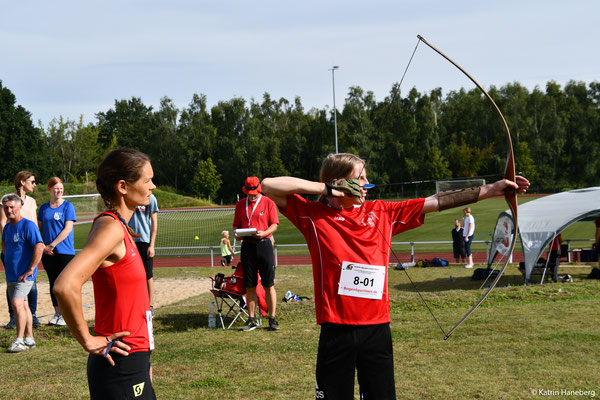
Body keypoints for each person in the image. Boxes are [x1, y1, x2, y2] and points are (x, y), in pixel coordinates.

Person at [261, 152, 530, 399]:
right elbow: (268, 185)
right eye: (360, 178)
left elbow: (436, 201)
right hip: (336, 328)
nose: (367, 183)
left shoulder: (382, 213)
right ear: (340, 182)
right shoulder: (313, 215)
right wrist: (327, 189)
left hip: (377, 329)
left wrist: (493, 189)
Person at [54, 148, 156, 400]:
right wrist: (88, 340)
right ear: (123, 186)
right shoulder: (110, 227)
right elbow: (65, 285)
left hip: (133, 360)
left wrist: (144, 360)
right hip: (119, 363)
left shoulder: (121, 226)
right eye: (147, 180)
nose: (152, 186)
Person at [233, 176, 280, 331]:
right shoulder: (240, 205)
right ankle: (252, 319)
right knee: (250, 285)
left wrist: (264, 233)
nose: (252, 196)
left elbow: (274, 224)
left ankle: (272, 318)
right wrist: (237, 234)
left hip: (264, 245)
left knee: (268, 284)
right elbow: (235, 227)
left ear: (259, 190)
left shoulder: (268, 203)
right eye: (249, 194)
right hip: (247, 246)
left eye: (254, 193)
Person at [1, 194, 44, 352]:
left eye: (12, 207)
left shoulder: (28, 225)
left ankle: (19, 340)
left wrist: (31, 269)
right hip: (12, 274)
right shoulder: (7, 227)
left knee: (17, 304)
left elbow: (39, 246)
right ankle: (29, 338)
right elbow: (4, 243)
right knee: (24, 306)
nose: (9, 210)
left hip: (24, 275)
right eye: (6, 208)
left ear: (20, 207)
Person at [1, 170, 40, 328]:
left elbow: (35, 223)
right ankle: (13, 316)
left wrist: (39, 243)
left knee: (32, 283)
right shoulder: (9, 200)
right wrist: (8, 242)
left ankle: (33, 314)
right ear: (22, 182)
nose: (34, 184)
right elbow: (3, 223)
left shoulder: (32, 201)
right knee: (12, 282)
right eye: (32, 181)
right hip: (13, 244)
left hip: (29, 245)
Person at [38, 177, 77, 326]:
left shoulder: (68, 206)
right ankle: (57, 314)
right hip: (47, 252)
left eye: (61, 188)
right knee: (53, 283)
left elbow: (67, 229)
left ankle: (68, 314)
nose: (59, 191)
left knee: (65, 284)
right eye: (56, 188)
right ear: (49, 189)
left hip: (64, 251)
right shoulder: (43, 208)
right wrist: (43, 246)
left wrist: (52, 244)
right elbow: (39, 229)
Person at [128, 193, 159, 313]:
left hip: (144, 241)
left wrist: (152, 245)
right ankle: (135, 303)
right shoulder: (129, 195)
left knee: (148, 275)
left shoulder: (150, 198)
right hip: (129, 241)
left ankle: (150, 306)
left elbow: (154, 222)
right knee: (131, 275)